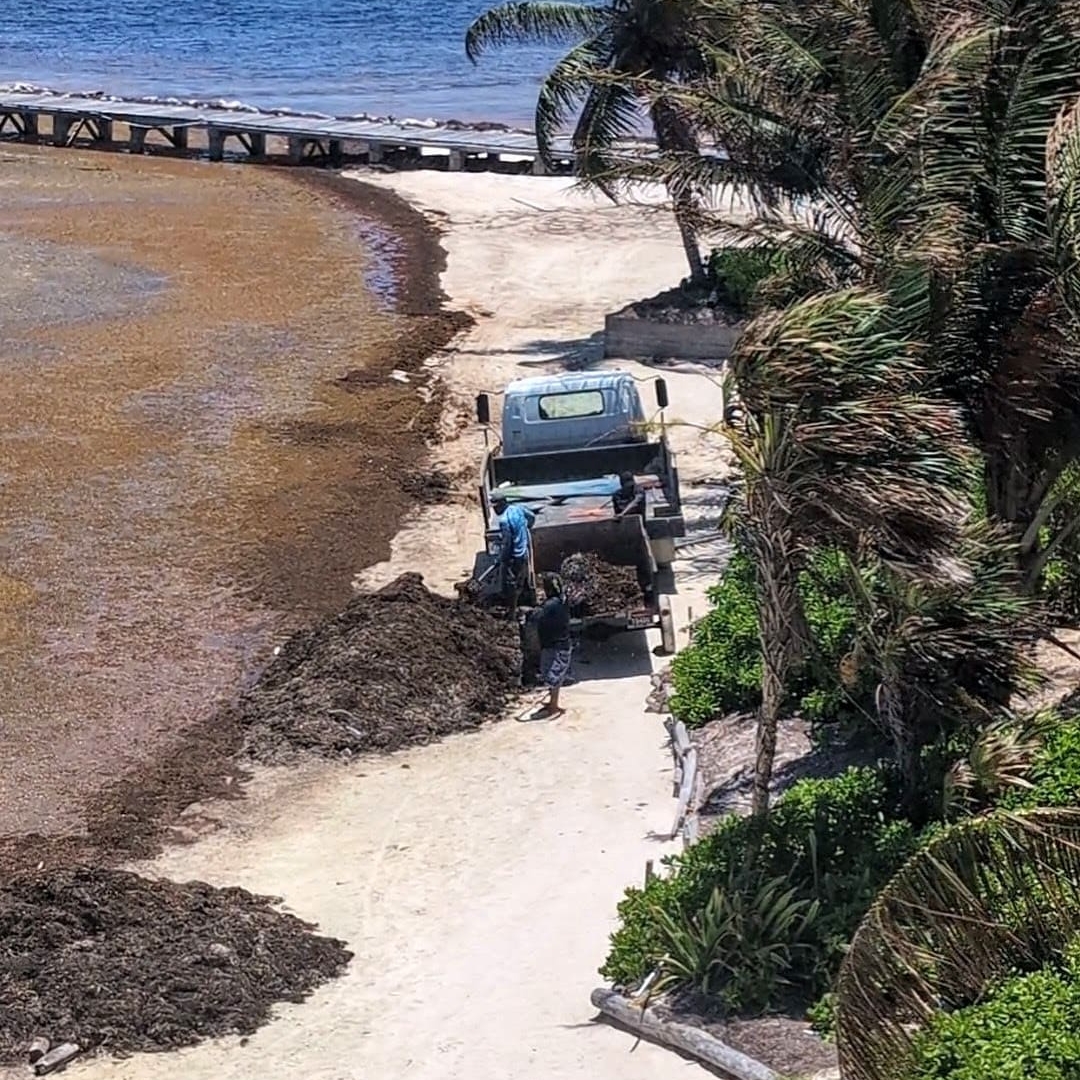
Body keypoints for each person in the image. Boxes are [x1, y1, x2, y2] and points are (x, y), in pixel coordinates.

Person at [527, 573, 574, 717]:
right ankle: (552, 702)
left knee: (554, 675)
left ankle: (553, 707)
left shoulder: (550, 605)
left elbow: (535, 616)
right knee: (551, 674)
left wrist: (528, 612)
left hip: (557, 646)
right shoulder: (561, 600)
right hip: (553, 644)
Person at [492, 495, 536, 617]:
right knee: (523, 577)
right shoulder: (518, 509)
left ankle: (512, 611)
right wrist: (527, 528)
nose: (495, 510)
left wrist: (501, 559)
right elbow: (531, 517)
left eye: (497, 507)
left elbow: (507, 544)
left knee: (511, 583)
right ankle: (529, 600)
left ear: (503, 503)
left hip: (515, 555)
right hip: (525, 550)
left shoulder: (504, 521)